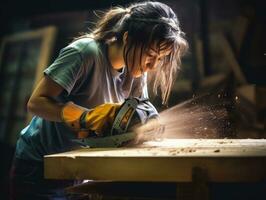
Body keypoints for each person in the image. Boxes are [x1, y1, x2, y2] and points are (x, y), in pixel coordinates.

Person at [9, 1, 188, 199]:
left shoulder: (136, 69)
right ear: (128, 39)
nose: (153, 65)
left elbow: (135, 115)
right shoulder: (85, 53)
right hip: (39, 166)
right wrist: (83, 117)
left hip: (81, 167)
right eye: (150, 54)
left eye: (161, 58)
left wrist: (144, 128)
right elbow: (36, 103)